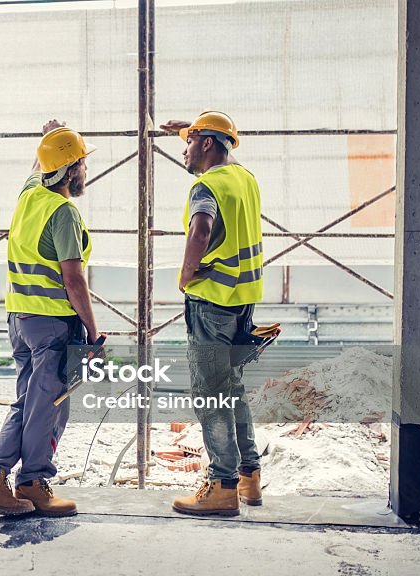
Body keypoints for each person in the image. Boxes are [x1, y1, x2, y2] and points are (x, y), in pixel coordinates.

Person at [0, 120, 104, 517]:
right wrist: (93, 334)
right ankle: (33, 481)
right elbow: (74, 280)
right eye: (82, 163)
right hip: (53, 324)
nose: (85, 171)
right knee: (51, 405)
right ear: (73, 170)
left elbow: (37, 168)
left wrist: (49, 139)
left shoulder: (29, 195)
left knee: (29, 400)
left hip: (20, 318)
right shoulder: (63, 212)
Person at [161, 111, 265, 516]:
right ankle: (248, 478)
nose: (184, 149)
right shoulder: (245, 179)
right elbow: (219, 149)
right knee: (233, 389)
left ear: (206, 144)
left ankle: (222, 485)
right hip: (242, 302)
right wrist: (190, 128)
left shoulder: (206, 186)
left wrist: (186, 274)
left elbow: (201, 229)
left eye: (190, 142)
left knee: (212, 393)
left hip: (212, 305)